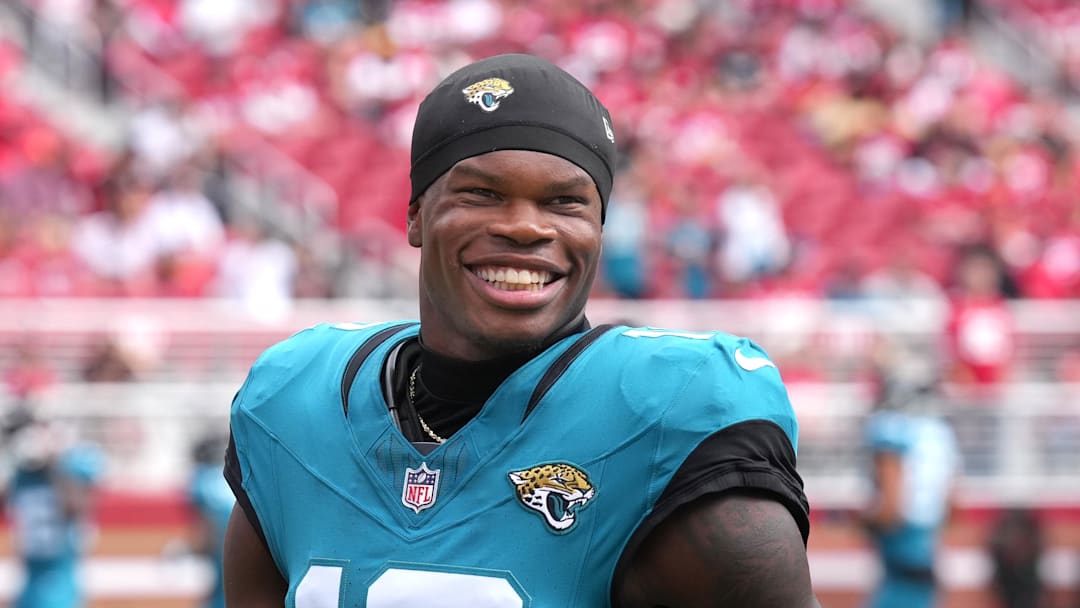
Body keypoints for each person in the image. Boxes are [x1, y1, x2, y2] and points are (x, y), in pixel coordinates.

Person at [223, 53, 819, 607]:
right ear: (414, 215)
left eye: (564, 203)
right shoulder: (297, 403)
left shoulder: (665, 409)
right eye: (483, 193)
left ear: (600, 229)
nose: (526, 227)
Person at [859, 353, 962, 608]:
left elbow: (892, 508)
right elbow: (953, 504)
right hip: (926, 540)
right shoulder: (940, 432)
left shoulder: (891, 427)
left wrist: (862, 521)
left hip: (903, 540)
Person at [2, 407, 104, 608]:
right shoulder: (20, 477)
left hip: (60, 582)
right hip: (30, 583)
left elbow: (76, 507)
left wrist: (52, 464)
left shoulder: (71, 467)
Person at [187, 432, 235, 608]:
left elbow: (207, 536)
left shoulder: (200, 481)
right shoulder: (229, 476)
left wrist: (185, 550)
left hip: (224, 549)